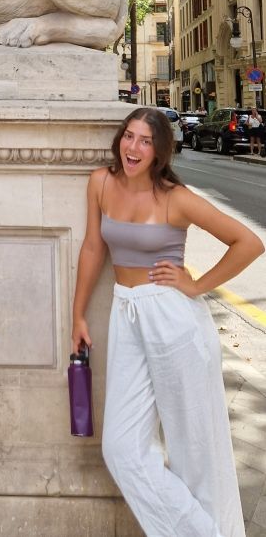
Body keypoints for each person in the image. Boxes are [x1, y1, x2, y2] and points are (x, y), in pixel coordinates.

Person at [71, 106, 264, 537]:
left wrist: (198, 286)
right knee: (121, 449)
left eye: (144, 141)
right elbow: (91, 249)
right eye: (129, 136)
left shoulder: (176, 197)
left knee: (195, 450)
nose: (133, 147)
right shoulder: (100, 182)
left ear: (159, 152)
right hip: (126, 311)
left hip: (174, 321)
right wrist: (77, 314)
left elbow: (248, 242)